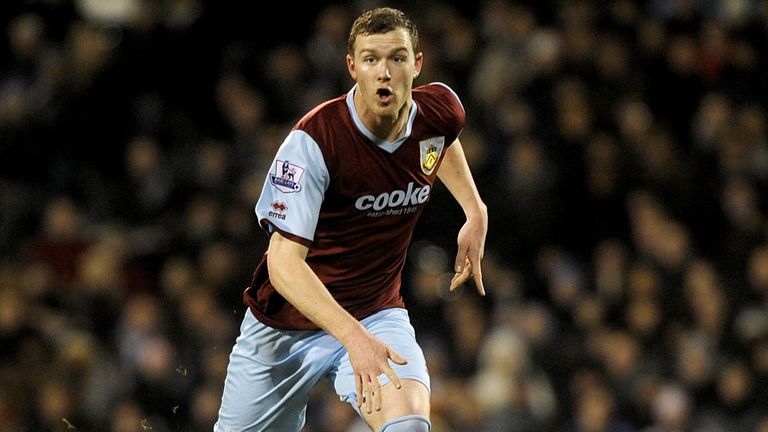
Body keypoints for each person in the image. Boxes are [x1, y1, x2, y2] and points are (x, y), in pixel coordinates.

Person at [214, 6, 488, 432]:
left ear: (417, 64)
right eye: (371, 59)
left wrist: (475, 209)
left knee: (410, 425)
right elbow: (283, 265)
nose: (384, 72)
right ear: (352, 67)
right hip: (286, 328)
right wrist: (352, 338)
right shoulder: (314, 143)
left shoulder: (442, 110)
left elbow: (442, 139)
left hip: (376, 314)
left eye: (397, 58)